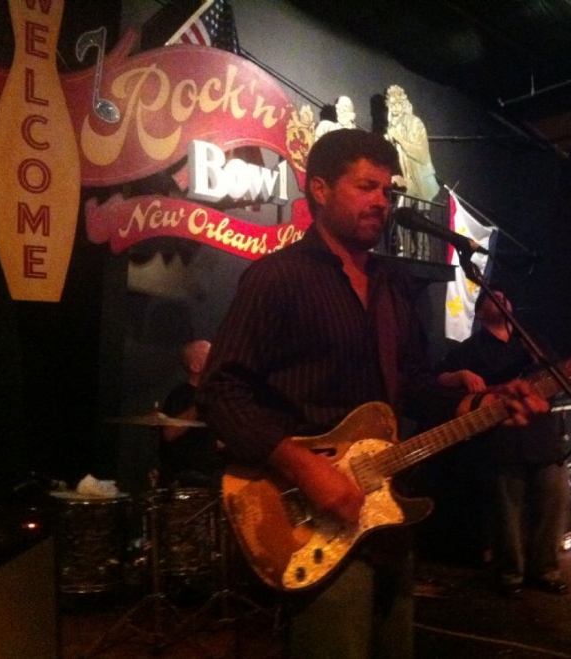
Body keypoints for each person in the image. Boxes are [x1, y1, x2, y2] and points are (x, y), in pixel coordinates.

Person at [196, 129, 548, 659]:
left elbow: (411, 386)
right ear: (318, 188)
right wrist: (299, 464)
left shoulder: (392, 283)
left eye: (386, 191)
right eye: (366, 187)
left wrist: (485, 402)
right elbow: (221, 392)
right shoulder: (277, 278)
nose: (381, 203)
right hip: (310, 517)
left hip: (384, 510)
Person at [437, 289, 570, 597]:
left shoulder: (531, 341)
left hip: (541, 436)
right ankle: (511, 575)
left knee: (555, 500)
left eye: (503, 296)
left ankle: (546, 570)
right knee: (507, 513)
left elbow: (560, 377)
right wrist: (460, 375)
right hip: (502, 440)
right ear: (480, 312)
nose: (500, 300)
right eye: (490, 298)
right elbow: (436, 380)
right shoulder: (470, 349)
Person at [158, 339, 223, 489]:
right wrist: (200, 405)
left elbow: (210, 441)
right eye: (210, 355)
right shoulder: (181, 394)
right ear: (195, 366)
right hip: (187, 476)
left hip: (208, 470)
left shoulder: (214, 396)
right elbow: (169, 432)